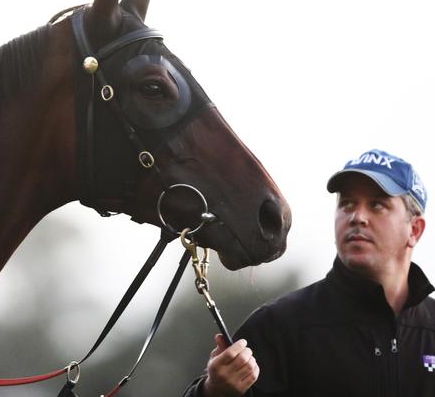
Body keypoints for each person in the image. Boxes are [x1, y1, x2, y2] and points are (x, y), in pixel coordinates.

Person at [183, 149, 434, 396]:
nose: (357, 217)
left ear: (415, 230)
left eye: (377, 205)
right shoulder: (278, 327)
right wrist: (213, 392)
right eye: (347, 203)